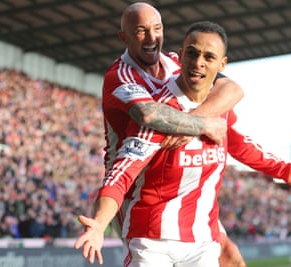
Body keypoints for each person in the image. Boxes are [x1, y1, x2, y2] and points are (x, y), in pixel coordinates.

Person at [75, 20, 291, 266]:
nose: (198, 63)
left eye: (208, 57)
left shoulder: (219, 107)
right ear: (180, 56)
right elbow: (122, 174)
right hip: (151, 238)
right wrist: (99, 223)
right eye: (193, 54)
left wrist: (284, 170)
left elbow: (240, 144)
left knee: (233, 259)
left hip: (201, 239)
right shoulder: (161, 114)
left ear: (222, 64)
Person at [98, 2, 246, 266]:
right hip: (139, 191)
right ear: (124, 37)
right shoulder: (120, 76)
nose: (152, 37)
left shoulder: (176, 61)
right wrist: (202, 126)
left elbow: (233, 89)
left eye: (157, 28)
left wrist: (192, 122)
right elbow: (150, 115)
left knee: (231, 257)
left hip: (180, 187)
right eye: (141, 31)